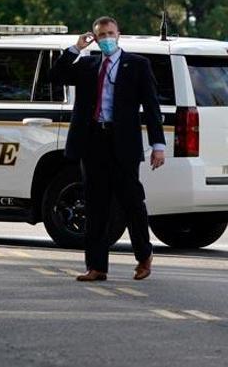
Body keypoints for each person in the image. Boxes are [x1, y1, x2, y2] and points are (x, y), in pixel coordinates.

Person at [50, 16, 166, 281]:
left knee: (131, 202)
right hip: (93, 142)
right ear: (95, 37)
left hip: (123, 142)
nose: (106, 39)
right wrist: (75, 49)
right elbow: (55, 76)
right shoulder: (87, 65)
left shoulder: (137, 65)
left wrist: (158, 145)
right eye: (101, 35)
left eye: (110, 33)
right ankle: (97, 266)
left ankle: (144, 255)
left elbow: (151, 107)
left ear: (119, 34)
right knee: (96, 206)